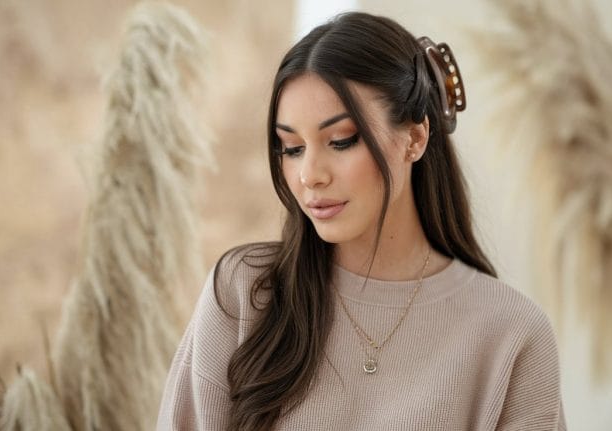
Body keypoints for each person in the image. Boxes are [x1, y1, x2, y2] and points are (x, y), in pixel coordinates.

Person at [157, 11, 565, 431]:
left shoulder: (509, 333)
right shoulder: (244, 291)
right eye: (291, 147)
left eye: (340, 141)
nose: (309, 174)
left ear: (415, 138)